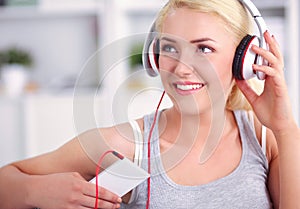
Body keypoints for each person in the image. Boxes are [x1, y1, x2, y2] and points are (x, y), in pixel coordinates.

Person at [0, 0, 300, 208]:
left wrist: (286, 128)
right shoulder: (126, 145)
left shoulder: (265, 137)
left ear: (245, 61)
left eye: (204, 48)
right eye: (170, 47)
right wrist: (36, 191)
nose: (182, 67)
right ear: (153, 57)